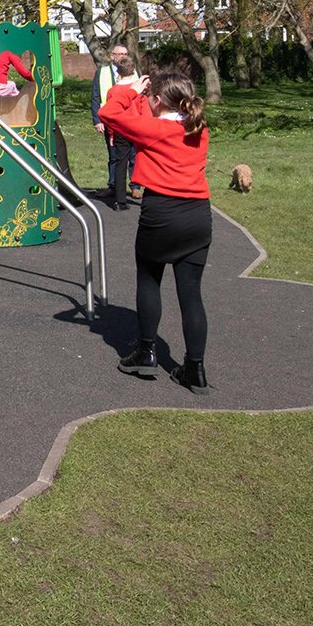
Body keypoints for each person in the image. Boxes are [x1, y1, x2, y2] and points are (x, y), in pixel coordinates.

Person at [99, 68, 214, 395]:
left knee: (149, 281)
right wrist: (140, 97)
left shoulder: (153, 130)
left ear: (159, 100)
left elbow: (109, 113)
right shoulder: (199, 128)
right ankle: (195, 368)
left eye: (150, 96)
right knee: (191, 294)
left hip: (162, 213)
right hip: (197, 216)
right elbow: (143, 117)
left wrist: (129, 88)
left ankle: (147, 352)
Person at [92, 43, 139, 209]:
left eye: (125, 53)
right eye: (120, 54)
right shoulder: (103, 72)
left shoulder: (133, 79)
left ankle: (132, 188)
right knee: (115, 158)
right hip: (119, 124)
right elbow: (96, 97)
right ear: (112, 56)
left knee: (128, 159)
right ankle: (114, 187)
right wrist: (97, 120)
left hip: (119, 126)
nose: (123, 56)